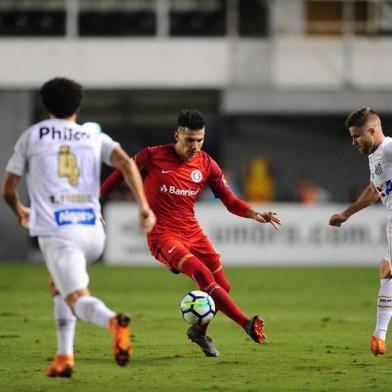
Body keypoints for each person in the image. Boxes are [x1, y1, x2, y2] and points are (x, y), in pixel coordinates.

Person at [1, 77, 156, 377]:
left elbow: (8, 189)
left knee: (76, 297)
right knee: (57, 284)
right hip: (94, 230)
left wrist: (20, 210)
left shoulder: (33, 136)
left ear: (45, 105)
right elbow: (126, 163)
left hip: (60, 232)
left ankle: (113, 321)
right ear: (79, 105)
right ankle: (64, 357)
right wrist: (144, 208)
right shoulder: (92, 136)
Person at [101, 109, 282, 357]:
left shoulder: (206, 163)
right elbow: (120, 172)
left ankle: (198, 332)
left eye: (200, 140)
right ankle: (246, 324)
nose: (195, 146)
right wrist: (95, 201)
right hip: (162, 234)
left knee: (223, 287)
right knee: (201, 273)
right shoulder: (152, 156)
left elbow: (229, 200)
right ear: (177, 134)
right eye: (189, 140)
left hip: (192, 231)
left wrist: (254, 214)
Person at [329, 107, 391, 357]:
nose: (353, 142)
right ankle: (379, 336)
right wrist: (346, 213)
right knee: (386, 269)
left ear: (373, 131)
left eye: (357, 136)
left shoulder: (387, 149)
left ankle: (379, 336)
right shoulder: (375, 156)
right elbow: (374, 190)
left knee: (388, 272)